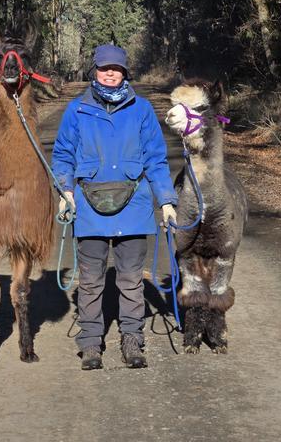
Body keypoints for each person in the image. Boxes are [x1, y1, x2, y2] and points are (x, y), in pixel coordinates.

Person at [51, 45, 177, 370]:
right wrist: (66, 189)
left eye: (116, 68)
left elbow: (156, 158)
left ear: (125, 72)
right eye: (104, 67)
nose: (110, 73)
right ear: (94, 70)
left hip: (134, 209)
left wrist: (166, 200)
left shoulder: (142, 110)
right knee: (91, 281)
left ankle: (132, 340)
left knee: (132, 281)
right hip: (90, 211)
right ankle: (91, 344)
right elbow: (63, 155)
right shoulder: (76, 111)